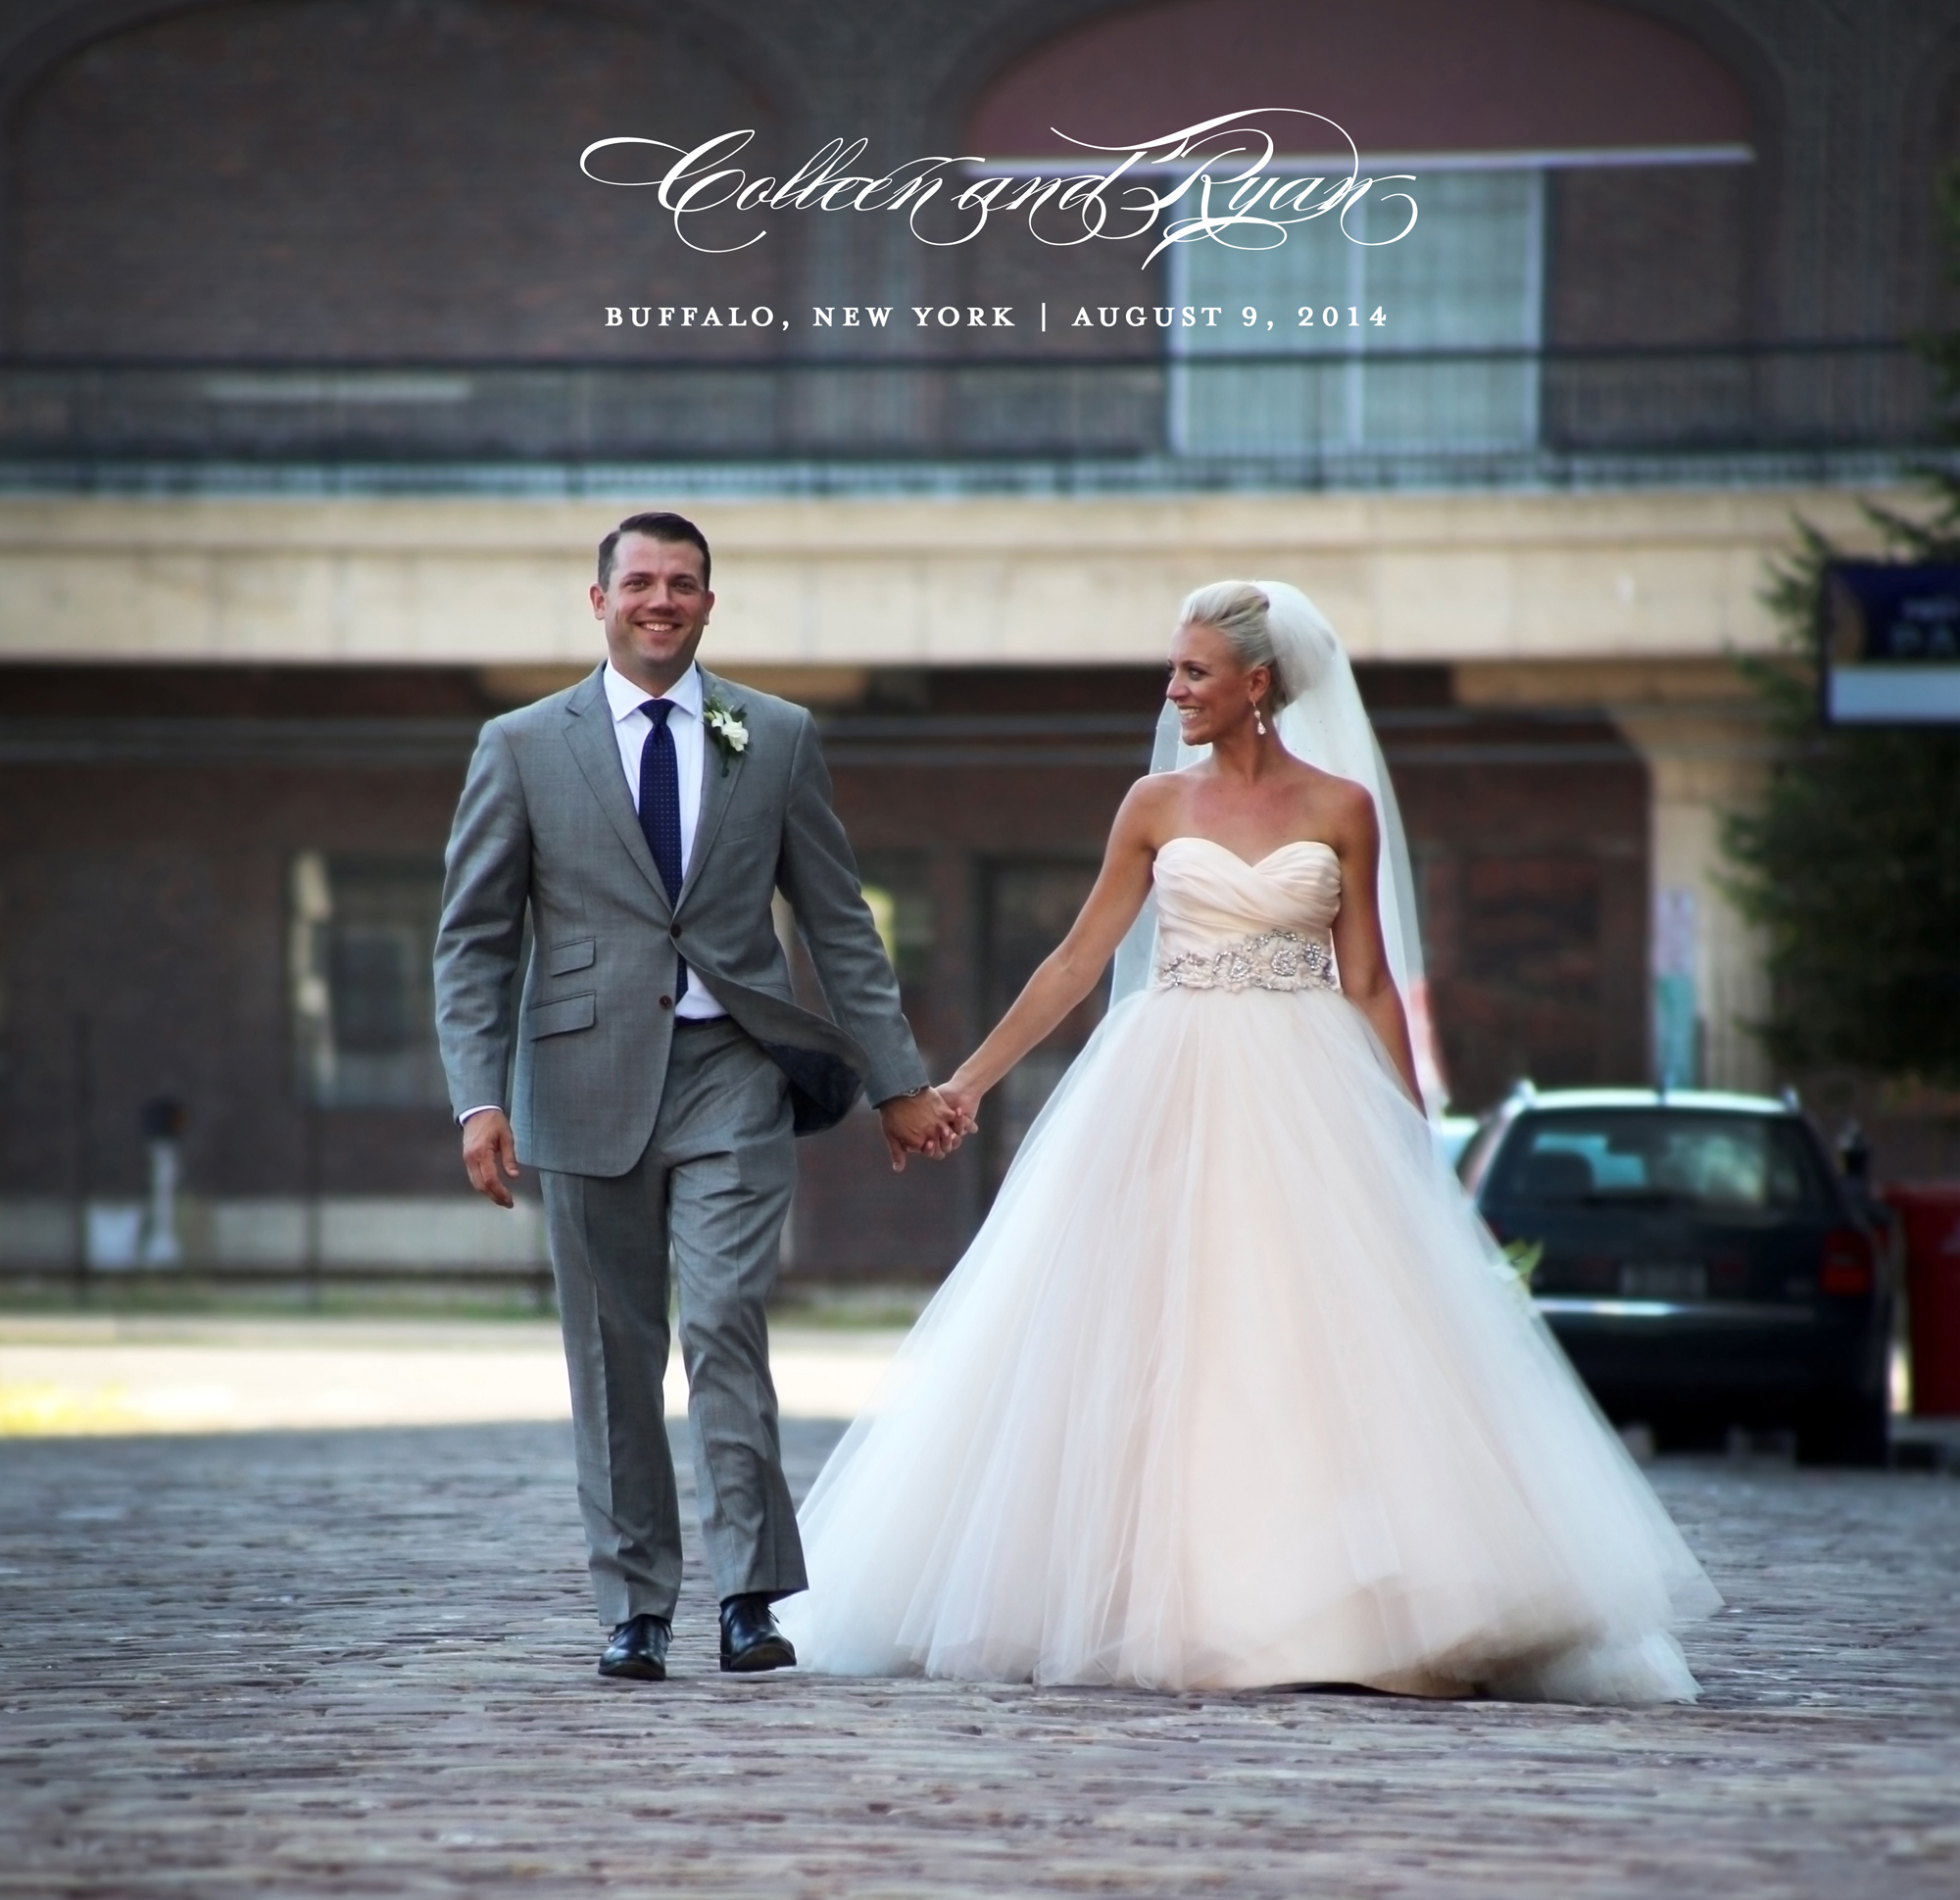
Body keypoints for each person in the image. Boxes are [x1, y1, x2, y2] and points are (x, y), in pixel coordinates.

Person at [778, 580, 1721, 1704]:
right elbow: (1076, 959)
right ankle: (1162, 1593)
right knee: (1155, 1329)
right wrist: (964, 1084)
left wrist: (1406, 1134)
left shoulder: (1340, 807)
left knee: (1305, 1331)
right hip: (1166, 1082)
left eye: (1193, 672)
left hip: (1306, 1087)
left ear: (1256, 683)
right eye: (1172, 670)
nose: (1172, 690)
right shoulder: (1151, 804)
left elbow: (1367, 982)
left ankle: (1346, 1601)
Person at [434, 511, 963, 1683]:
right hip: (581, 1081)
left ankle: (747, 1596)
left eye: (682, 583)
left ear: (709, 604)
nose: (660, 600)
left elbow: (838, 920)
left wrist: (896, 1081)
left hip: (734, 1069)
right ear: (599, 600)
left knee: (724, 1320)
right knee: (611, 1351)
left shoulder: (773, 734)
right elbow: (473, 939)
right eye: (639, 581)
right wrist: (477, 1097)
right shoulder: (520, 745)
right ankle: (632, 1607)